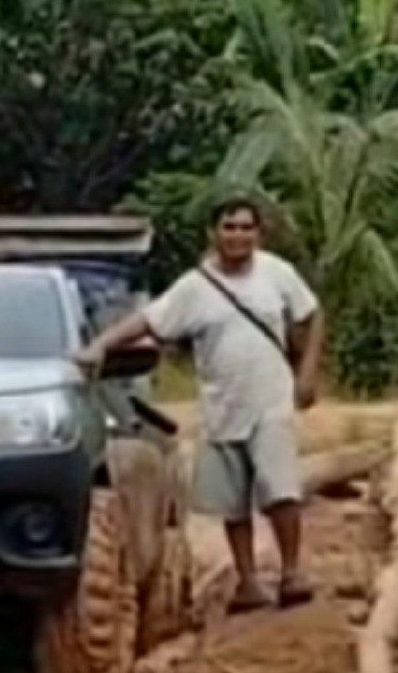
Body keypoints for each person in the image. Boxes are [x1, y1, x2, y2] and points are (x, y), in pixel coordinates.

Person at [81, 193, 326, 611]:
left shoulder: (277, 272)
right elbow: (149, 321)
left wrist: (307, 373)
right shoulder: (194, 288)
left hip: (271, 399)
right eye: (229, 227)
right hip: (221, 406)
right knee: (233, 501)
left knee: (280, 489)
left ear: (259, 233)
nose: (238, 236)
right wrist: (101, 345)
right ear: (214, 233)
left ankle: (291, 572)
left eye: (246, 227)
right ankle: (247, 580)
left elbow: (312, 315)